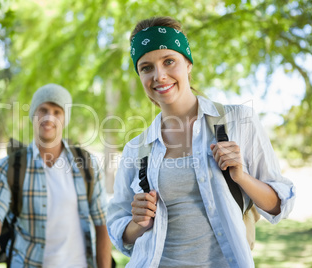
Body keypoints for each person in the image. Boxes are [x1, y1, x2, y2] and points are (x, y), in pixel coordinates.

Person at [106, 16, 296, 267]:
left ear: (188, 64)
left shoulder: (238, 121)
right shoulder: (137, 148)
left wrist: (242, 177)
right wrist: (137, 222)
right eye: (146, 67)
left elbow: (280, 206)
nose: (159, 75)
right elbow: (120, 232)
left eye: (169, 61)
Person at [0, 84, 112, 268]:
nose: (49, 117)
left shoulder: (87, 164)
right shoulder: (10, 167)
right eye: (43, 109)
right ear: (33, 115)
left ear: (65, 119)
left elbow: (103, 227)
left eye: (57, 111)